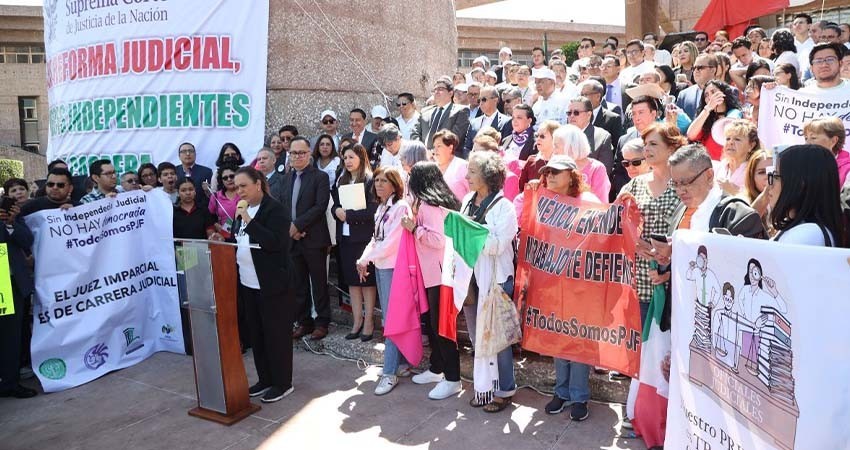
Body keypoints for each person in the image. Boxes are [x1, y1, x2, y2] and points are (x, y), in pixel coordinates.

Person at [523, 155, 599, 421]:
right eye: (547, 172)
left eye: (557, 171)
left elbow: (603, 240)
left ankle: (579, 396)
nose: (550, 176)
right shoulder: (543, 201)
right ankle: (561, 392)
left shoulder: (590, 202)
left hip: (582, 285)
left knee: (579, 340)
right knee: (558, 339)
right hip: (553, 284)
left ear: (572, 175)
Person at [229, 166, 294, 403]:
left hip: (272, 284)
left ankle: (282, 382)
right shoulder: (241, 211)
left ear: (258, 184)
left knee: (276, 335)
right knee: (256, 334)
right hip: (247, 282)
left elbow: (275, 243)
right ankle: (265, 378)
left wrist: (248, 220)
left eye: (244, 186)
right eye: (236, 187)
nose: (240, 191)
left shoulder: (276, 210)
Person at [460, 150, 518, 413]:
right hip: (471, 278)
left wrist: (471, 231)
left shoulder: (505, 207)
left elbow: (497, 246)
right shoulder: (467, 201)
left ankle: (504, 390)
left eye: (472, 171)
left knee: (498, 339)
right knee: (477, 336)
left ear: (487, 176)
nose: (467, 175)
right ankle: (483, 387)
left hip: (496, 280)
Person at [400, 162, 463, 400]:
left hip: (440, 274)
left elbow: (438, 240)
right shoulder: (432, 203)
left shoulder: (430, 205)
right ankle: (438, 368)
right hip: (433, 273)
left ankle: (453, 378)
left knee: (442, 328)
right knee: (434, 324)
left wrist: (414, 228)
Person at [618, 122, 684, 323]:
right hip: (637, 281)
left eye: (653, 144)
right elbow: (615, 221)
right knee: (640, 350)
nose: (647, 149)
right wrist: (634, 242)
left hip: (673, 284)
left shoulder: (685, 184)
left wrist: (670, 264)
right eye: (645, 144)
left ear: (672, 148)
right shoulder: (636, 184)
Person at [356, 166, 411, 395]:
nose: (378, 184)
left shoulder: (401, 207)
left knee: (391, 320)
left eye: (384, 181)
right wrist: (363, 259)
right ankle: (400, 364)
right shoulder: (381, 207)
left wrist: (368, 258)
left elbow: (391, 243)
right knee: (392, 317)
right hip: (381, 266)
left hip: (393, 268)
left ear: (395, 184)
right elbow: (376, 238)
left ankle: (390, 373)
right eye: (376, 180)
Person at [278, 137, 333, 341]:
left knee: (318, 282)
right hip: (293, 239)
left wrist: (298, 225)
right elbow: (281, 207)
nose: (297, 156)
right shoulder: (285, 179)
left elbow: (319, 207)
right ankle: (304, 322)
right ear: (289, 155)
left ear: (309, 154)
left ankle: (322, 322)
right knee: (298, 283)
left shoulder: (320, 177)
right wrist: (290, 229)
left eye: (301, 153)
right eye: (294, 153)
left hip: (314, 239)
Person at [331, 144, 378, 341]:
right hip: (346, 237)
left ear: (360, 157)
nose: (348, 161)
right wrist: (337, 212)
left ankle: (368, 322)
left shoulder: (369, 180)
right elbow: (335, 205)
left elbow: (373, 211)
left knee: (366, 281)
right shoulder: (342, 179)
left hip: (363, 238)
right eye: (345, 158)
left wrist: (349, 215)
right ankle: (356, 321)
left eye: (351, 157)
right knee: (352, 281)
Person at [666, 144, 765, 238]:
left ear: (709, 176)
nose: (679, 191)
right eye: (675, 184)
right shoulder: (681, 208)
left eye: (686, 182)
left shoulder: (737, 215)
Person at [767, 145, 844, 246]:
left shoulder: (808, 234)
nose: (770, 185)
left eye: (776, 176)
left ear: (800, 185)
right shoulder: (805, 229)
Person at [0, 197, 35, 399]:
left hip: (11, 282)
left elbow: (27, 240)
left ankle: (10, 382)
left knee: (12, 335)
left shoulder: (14, 217)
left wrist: (11, 223)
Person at [686, 80, 742, 161]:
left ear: (724, 93)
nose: (710, 97)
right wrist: (708, 108)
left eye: (713, 92)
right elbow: (690, 134)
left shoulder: (737, 114)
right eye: (706, 95)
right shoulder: (705, 119)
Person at [413, 76, 471, 150]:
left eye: (440, 89)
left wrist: (435, 152)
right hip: (423, 155)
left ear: (450, 93)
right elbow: (415, 134)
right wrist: (421, 150)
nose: (436, 92)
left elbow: (454, 138)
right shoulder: (425, 111)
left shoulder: (461, 111)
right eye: (435, 90)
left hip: (447, 156)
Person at [568, 96, 615, 177]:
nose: (572, 116)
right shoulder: (561, 135)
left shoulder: (602, 137)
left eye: (576, 113)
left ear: (589, 115)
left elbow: (604, 172)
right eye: (569, 113)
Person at [463, 85, 512, 155]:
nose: (481, 103)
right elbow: (467, 148)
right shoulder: (474, 122)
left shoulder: (506, 122)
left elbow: (504, 148)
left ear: (495, 100)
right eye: (479, 100)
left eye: (484, 99)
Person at [803, 117, 850, 187]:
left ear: (833, 140)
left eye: (813, 138)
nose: (807, 143)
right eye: (806, 138)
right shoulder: (802, 164)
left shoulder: (847, 169)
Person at [717, 120, 759, 195]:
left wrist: (733, 191)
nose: (730, 142)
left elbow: (758, 201)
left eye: (737, 139)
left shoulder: (754, 171)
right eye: (728, 139)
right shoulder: (721, 166)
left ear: (751, 145)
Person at [518, 120, 560, 190]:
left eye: (542, 136)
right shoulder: (531, 160)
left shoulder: (561, 164)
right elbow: (521, 188)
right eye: (537, 136)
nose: (538, 139)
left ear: (555, 139)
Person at [432, 130, 469, 201]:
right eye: (434, 146)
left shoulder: (463, 166)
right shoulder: (432, 167)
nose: (435, 150)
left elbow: (472, 193)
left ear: (450, 148)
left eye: (439, 146)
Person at [175, 142, 213, 207]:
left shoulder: (206, 172)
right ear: (179, 156)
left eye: (190, 151)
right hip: (179, 211)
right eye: (184, 151)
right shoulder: (174, 171)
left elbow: (212, 195)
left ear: (195, 154)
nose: (188, 154)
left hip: (201, 210)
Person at [208, 164, 241, 238]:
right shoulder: (215, 196)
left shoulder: (245, 193)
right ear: (221, 180)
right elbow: (209, 216)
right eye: (225, 178)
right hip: (224, 236)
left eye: (232, 176)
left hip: (243, 235)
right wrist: (216, 225)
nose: (229, 179)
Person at [742, 150, 773, 226]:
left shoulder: (788, 202)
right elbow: (744, 228)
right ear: (752, 176)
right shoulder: (743, 203)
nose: (768, 176)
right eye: (762, 172)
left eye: (772, 171)